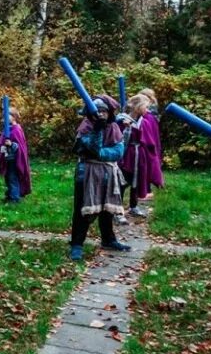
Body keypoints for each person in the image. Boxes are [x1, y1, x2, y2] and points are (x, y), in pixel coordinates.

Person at [69, 94, 131, 261]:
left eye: (104, 111)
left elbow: (118, 152)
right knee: (83, 209)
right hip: (86, 172)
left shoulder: (114, 128)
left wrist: (101, 154)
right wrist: (97, 130)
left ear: (109, 113)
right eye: (98, 111)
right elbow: (92, 147)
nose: (101, 114)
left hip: (108, 173)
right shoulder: (86, 128)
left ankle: (108, 239)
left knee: (107, 210)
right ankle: (77, 244)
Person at [134, 88, 165, 202]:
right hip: (150, 142)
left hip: (147, 143)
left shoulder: (148, 116)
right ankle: (145, 190)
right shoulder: (151, 114)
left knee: (147, 165)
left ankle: (146, 190)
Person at [0, 106, 32, 203]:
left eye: (7, 116)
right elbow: (1, 142)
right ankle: (10, 195)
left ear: (14, 117)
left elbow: (19, 146)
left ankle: (14, 198)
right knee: (8, 178)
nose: (4, 119)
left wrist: (11, 144)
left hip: (14, 160)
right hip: (7, 158)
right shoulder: (8, 129)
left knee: (12, 178)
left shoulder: (16, 130)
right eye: (3, 117)